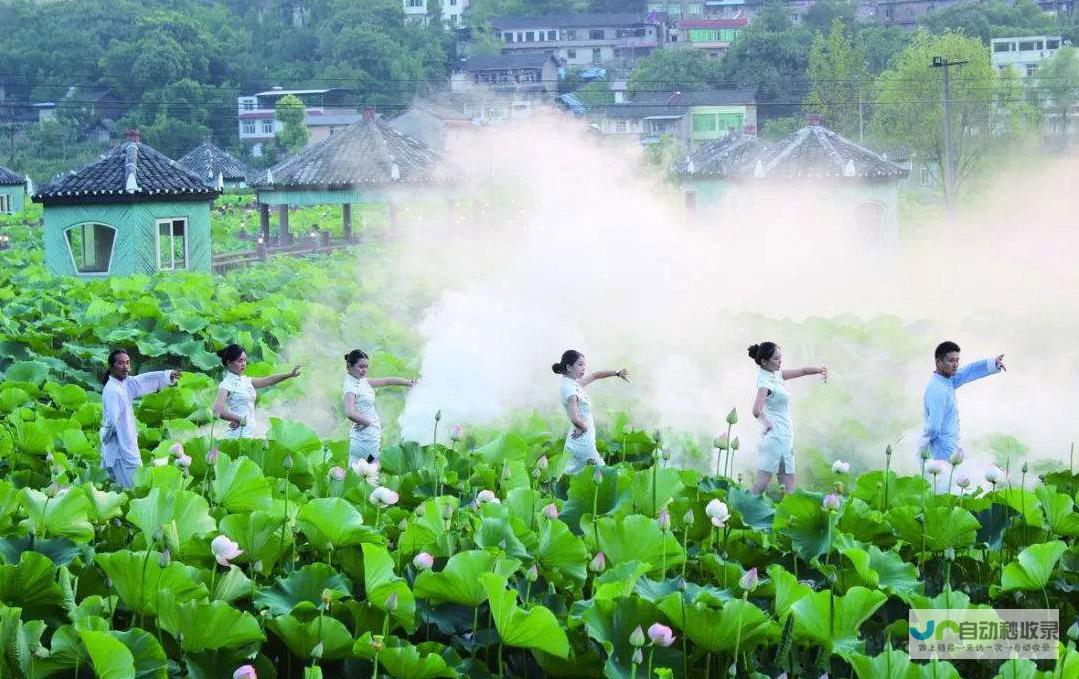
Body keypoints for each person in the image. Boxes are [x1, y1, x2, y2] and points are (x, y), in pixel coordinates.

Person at [748, 342, 827, 495]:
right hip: (776, 437)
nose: (780, 361)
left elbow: (803, 371)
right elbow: (756, 410)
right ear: (764, 362)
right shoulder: (765, 383)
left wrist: (819, 370)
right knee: (764, 483)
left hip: (783, 436)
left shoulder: (776, 374)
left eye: (780, 357)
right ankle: (739, 511)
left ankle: (787, 517)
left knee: (784, 482)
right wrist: (767, 424)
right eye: (776, 359)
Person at [99, 349, 181, 488]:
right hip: (121, 448)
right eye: (120, 363)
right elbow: (112, 421)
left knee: (118, 486)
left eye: (127, 363)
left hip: (126, 444)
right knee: (134, 487)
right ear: (111, 367)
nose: (125, 367)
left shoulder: (124, 383)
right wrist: (106, 438)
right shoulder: (112, 390)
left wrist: (167, 376)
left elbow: (141, 381)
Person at [920, 341, 1005, 462]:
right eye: (951, 361)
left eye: (957, 360)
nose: (955, 365)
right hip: (943, 451)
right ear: (938, 362)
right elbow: (933, 427)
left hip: (950, 446)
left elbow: (968, 371)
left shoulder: (947, 379)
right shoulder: (937, 389)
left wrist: (993, 363)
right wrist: (923, 448)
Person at [551, 350, 629, 475]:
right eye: (580, 364)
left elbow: (594, 376)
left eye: (584, 365)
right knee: (602, 470)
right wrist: (584, 427)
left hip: (578, 436)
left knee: (571, 471)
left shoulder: (572, 383)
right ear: (569, 367)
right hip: (582, 439)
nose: (583, 368)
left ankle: (552, 486)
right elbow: (574, 417)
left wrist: (617, 373)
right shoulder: (570, 390)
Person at [343, 349, 416, 463]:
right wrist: (367, 422)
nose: (364, 370)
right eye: (361, 367)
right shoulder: (350, 387)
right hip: (365, 440)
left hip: (366, 438)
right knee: (373, 472)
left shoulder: (362, 381)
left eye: (366, 367)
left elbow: (386, 381)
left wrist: (408, 382)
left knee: (358, 474)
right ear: (350, 365)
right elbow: (349, 412)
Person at [212, 344, 301, 439]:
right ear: (229, 363)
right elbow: (217, 411)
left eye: (245, 360)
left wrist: (290, 375)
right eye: (240, 361)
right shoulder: (226, 385)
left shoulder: (246, 381)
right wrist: (239, 419)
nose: (244, 364)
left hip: (249, 433)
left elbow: (268, 380)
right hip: (238, 436)